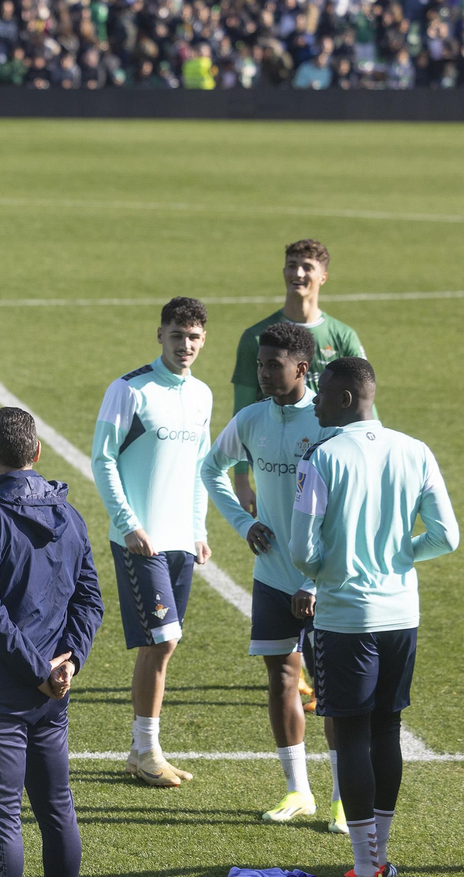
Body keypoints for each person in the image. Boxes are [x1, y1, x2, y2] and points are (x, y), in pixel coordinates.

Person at [290, 357, 458, 877]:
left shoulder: (322, 457)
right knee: (387, 728)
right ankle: (380, 859)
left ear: (345, 399)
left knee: (353, 732)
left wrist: (331, 568)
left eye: (321, 395)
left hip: (346, 619)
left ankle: (366, 866)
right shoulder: (416, 450)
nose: (313, 402)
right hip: (401, 614)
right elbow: (447, 536)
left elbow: (302, 552)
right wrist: (401, 557)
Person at [201, 322, 342, 827]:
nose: (262, 373)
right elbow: (210, 468)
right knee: (282, 677)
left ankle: (343, 799)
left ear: (302, 368)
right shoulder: (252, 418)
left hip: (323, 579)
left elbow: (344, 508)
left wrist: (316, 579)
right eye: (260, 364)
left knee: (331, 690)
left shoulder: (327, 422)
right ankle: (297, 791)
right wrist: (244, 522)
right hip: (272, 575)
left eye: (272, 365)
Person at [0, 408, 102, 877]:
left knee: (0, 815)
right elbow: (91, 600)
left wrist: (41, 671)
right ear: (37, 453)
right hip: (52, 692)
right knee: (56, 808)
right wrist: (68, 664)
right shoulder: (70, 515)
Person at [91, 296, 213, 787]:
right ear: (159, 334)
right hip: (141, 539)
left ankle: (140, 751)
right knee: (164, 639)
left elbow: (202, 469)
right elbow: (102, 460)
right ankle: (147, 751)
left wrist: (200, 529)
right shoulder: (129, 390)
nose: (185, 345)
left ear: (204, 340)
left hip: (181, 539)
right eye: (177, 335)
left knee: (160, 647)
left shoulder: (202, 395)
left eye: (194, 337)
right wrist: (127, 524)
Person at [229, 240, 369, 520]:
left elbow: (365, 402)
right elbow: (242, 410)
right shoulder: (257, 338)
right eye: (292, 266)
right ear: (283, 272)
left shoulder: (343, 336)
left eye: (307, 267)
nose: (299, 274)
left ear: (323, 277)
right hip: (276, 456)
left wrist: (371, 454)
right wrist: (241, 480)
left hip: (332, 453)